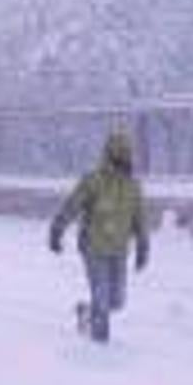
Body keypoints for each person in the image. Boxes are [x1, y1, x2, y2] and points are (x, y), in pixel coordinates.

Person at [49, 132, 150, 343]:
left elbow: (140, 218)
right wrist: (57, 229)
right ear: (110, 153)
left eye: (128, 153)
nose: (125, 157)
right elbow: (72, 205)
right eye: (121, 152)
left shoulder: (133, 186)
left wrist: (143, 247)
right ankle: (98, 349)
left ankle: (87, 312)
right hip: (93, 247)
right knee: (102, 300)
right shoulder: (93, 180)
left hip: (119, 250)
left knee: (118, 301)